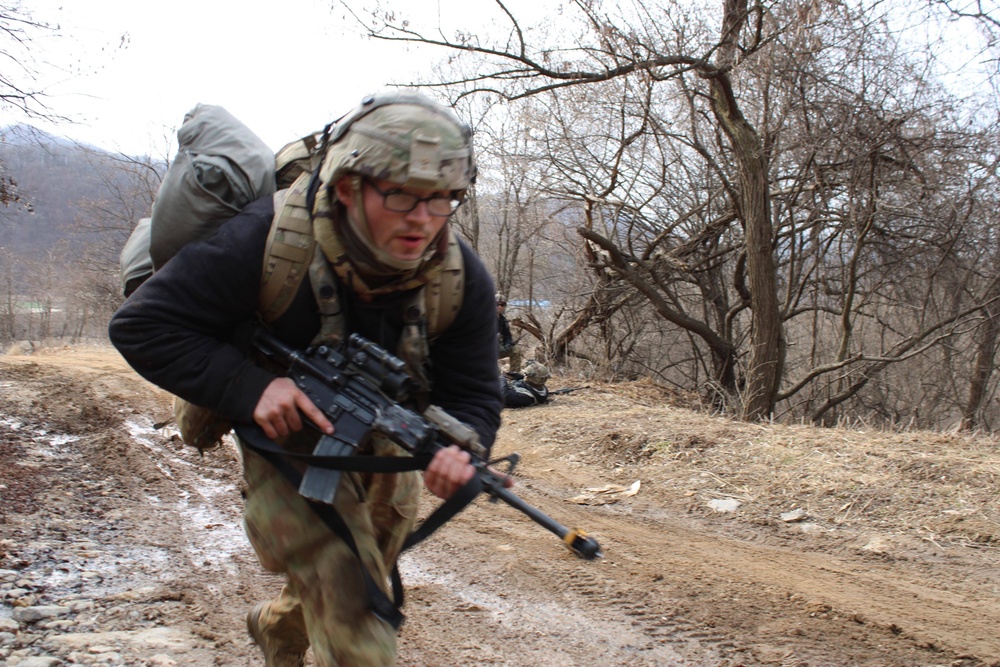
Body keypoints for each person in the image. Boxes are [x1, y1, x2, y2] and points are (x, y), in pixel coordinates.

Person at [109, 91, 503, 667]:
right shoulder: (265, 240)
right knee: (352, 606)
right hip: (281, 417)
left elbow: (473, 391)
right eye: (402, 196)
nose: (423, 219)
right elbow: (143, 326)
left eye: (443, 200)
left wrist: (461, 445)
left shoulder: (458, 275)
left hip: (379, 417)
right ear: (347, 188)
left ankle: (280, 628)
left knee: (375, 543)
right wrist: (254, 388)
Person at [496, 292, 522, 373]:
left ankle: (514, 376)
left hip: (498, 347)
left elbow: (507, 334)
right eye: (497, 304)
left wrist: (508, 344)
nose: (500, 307)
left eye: (502, 304)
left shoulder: (503, 319)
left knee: (516, 350)